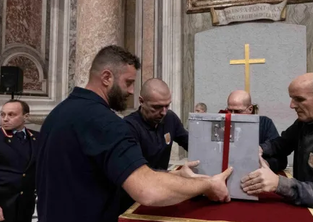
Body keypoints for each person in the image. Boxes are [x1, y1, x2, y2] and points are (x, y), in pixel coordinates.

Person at [36, 45, 233, 222]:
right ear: (106, 78)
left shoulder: (58, 113)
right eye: (128, 82)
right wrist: (207, 185)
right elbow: (148, 190)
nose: (131, 91)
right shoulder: (106, 123)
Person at [241, 73, 313, 207]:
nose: (292, 105)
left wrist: (279, 183)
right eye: (292, 98)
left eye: (299, 99)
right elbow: (281, 144)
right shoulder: (303, 123)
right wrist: (260, 149)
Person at [124, 78, 188, 171]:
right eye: (157, 107)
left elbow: (190, 143)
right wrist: (175, 175)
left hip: (163, 180)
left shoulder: (170, 118)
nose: (163, 112)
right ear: (141, 101)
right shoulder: (129, 126)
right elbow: (137, 171)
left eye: (167, 106)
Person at [0, 100, 39, 222]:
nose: (5, 119)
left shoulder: (37, 138)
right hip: (1, 206)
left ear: (26, 116)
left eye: (11, 114)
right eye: (3, 115)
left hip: (26, 206)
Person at [225, 90, 287, 172]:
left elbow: (281, 159)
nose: (232, 115)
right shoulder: (222, 124)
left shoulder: (264, 124)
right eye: (229, 111)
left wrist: (265, 164)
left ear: (250, 109)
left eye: (237, 111)